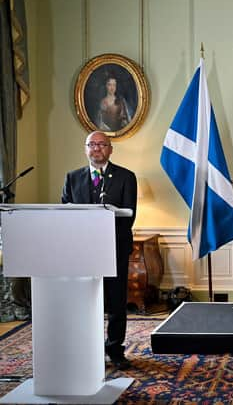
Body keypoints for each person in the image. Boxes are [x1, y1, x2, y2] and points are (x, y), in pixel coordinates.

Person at [62, 131, 137, 370]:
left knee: (116, 302)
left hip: (115, 247)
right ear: (85, 149)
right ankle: (89, 349)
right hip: (83, 251)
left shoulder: (126, 177)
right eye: (92, 145)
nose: (96, 148)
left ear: (110, 149)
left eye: (102, 144)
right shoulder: (72, 178)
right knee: (87, 302)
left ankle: (115, 350)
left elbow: (128, 216)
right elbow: (66, 213)